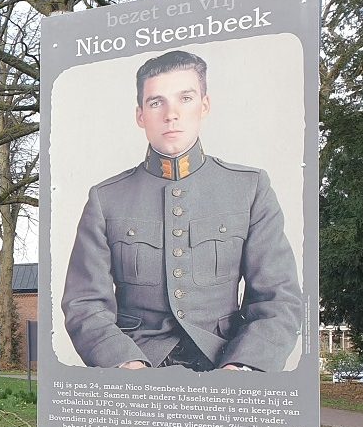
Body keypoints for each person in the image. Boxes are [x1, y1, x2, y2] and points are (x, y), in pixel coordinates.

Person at [62, 50, 301, 372]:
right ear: (140, 115)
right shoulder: (106, 198)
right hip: (136, 367)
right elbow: (84, 303)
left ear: (204, 105)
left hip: (226, 364)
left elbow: (278, 298)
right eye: (156, 102)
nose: (171, 114)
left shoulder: (249, 188)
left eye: (185, 98)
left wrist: (242, 367)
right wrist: (124, 363)